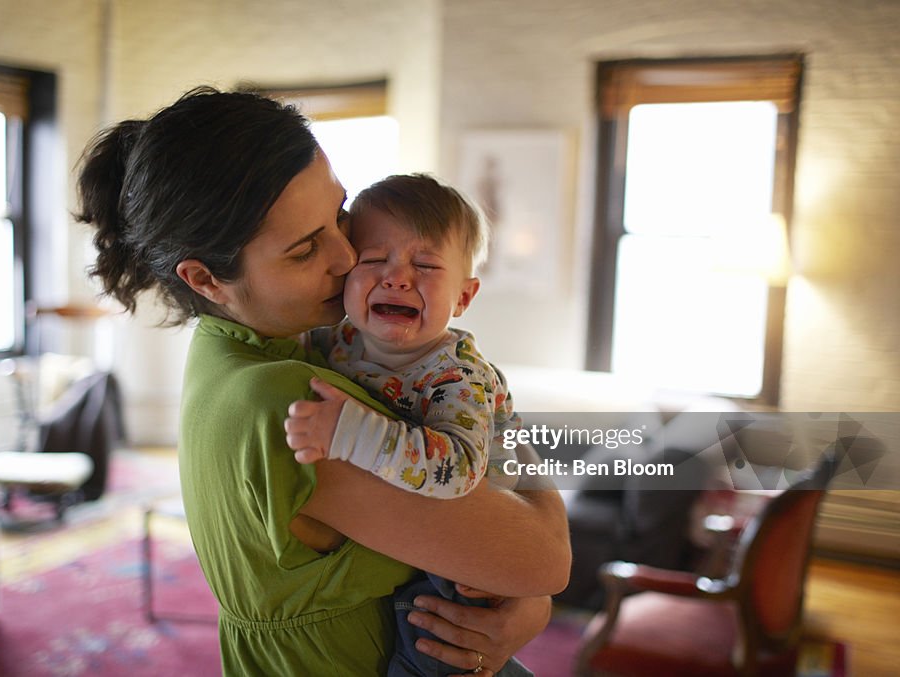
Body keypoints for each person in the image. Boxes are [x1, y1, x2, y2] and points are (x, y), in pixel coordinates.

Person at [76, 86, 570, 676]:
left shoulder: (254, 350)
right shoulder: (293, 404)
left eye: (338, 216)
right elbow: (544, 559)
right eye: (307, 248)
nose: (347, 257)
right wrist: (530, 599)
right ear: (206, 278)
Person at [284, 173, 532, 676]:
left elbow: (458, 470)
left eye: (425, 265)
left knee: (435, 652)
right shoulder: (337, 341)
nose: (398, 278)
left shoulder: (458, 377)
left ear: (463, 298)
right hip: (396, 534)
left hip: (463, 555)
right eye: (373, 260)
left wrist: (349, 433)